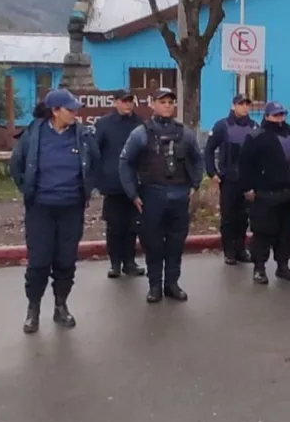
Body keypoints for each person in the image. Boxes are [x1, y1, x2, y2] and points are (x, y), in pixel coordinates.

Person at [10, 89, 100, 334]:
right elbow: (16, 165)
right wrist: (29, 189)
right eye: (70, 110)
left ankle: (61, 305)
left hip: (71, 208)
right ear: (55, 111)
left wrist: (86, 189)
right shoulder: (33, 134)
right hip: (41, 209)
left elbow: (95, 163)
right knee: (39, 262)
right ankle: (33, 309)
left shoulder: (82, 135)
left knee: (65, 261)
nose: (75, 114)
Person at [119, 87, 204, 303]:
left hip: (179, 195)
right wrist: (133, 193)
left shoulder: (184, 132)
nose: (167, 105)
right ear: (153, 104)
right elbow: (125, 163)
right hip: (152, 195)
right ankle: (155, 285)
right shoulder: (141, 133)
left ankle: (172, 284)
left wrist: (195, 184)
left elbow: (197, 158)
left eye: (170, 102)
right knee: (153, 243)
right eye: (162, 101)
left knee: (176, 243)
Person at [238, 102, 290, 284]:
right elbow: (245, 165)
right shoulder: (256, 137)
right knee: (263, 233)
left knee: (285, 233)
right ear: (267, 117)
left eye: (282, 114)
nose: (279, 118)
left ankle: (283, 266)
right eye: (275, 115)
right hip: (265, 193)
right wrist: (247, 188)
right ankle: (259, 268)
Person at [95, 89, 145, 278]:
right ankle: (115, 263)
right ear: (115, 102)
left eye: (130, 101)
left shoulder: (140, 124)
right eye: (124, 101)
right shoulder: (104, 124)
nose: (127, 104)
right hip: (113, 184)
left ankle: (130, 262)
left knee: (133, 225)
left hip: (135, 183)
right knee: (115, 226)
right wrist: (99, 177)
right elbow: (95, 152)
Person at [204, 93, 258, 264]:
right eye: (241, 104)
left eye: (247, 104)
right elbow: (208, 150)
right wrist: (212, 172)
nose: (244, 107)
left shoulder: (254, 127)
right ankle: (229, 251)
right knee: (228, 216)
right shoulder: (222, 126)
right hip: (228, 179)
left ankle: (241, 249)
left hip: (247, 179)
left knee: (244, 217)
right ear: (233, 106)